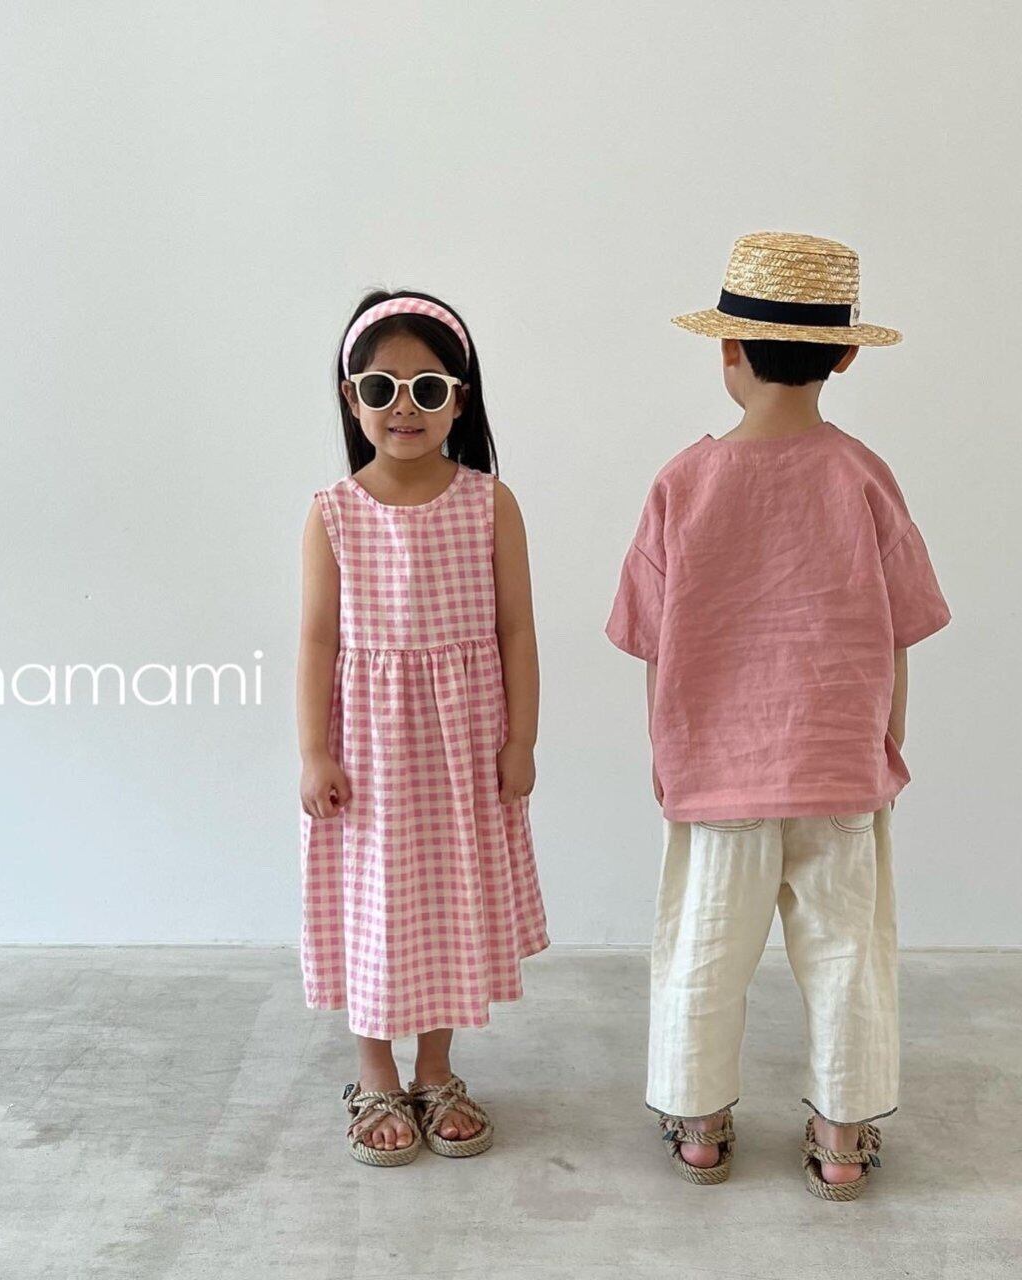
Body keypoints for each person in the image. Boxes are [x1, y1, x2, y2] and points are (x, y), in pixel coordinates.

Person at [604, 232, 951, 1198]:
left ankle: (700, 1126)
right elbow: (900, 633)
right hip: (840, 769)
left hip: (715, 772)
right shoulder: (864, 476)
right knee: (847, 954)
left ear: (727, 349)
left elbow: (653, 643)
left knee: (704, 949)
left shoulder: (683, 482)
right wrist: (887, 742)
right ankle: (842, 1137)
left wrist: (668, 754)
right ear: (844, 357)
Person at [297, 290, 549, 1167]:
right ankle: (375, 1072)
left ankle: (435, 1068)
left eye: (428, 388)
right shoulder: (334, 512)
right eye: (381, 387)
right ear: (350, 397)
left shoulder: (489, 503)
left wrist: (521, 740)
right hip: (369, 749)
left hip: (461, 744)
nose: (404, 406)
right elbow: (317, 640)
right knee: (376, 901)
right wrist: (314, 751)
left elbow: (516, 628)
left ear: (460, 400)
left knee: (446, 898)